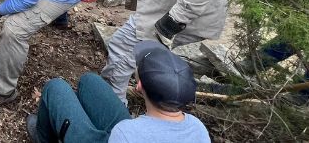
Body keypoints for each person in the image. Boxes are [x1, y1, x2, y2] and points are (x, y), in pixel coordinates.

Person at [27, 41, 210, 143]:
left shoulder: (126, 133)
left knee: (56, 87)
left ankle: (43, 138)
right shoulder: (198, 128)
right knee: (90, 81)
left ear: (139, 87)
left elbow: (125, 135)